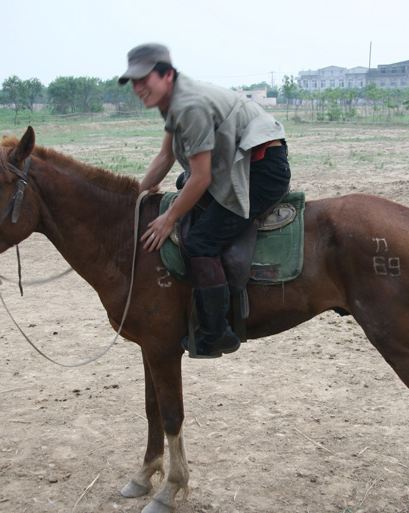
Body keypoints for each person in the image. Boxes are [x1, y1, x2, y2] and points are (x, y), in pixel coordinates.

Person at [119, 43, 291, 358]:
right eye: (133, 81)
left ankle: (215, 333)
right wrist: (134, 197)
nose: (138, 88)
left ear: (167, 75)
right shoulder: (172, 101)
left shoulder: (188, 105)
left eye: (144, 79)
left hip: (262, 171)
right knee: (183, 185)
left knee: (200, 241)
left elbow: (202, 178)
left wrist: (168, 218)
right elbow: (165, 156)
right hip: (239, 162)